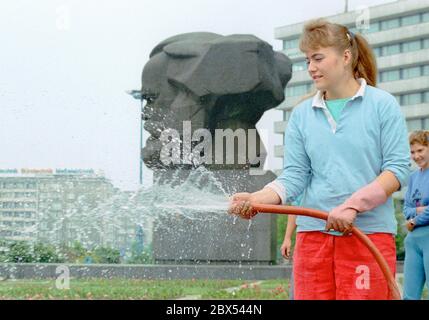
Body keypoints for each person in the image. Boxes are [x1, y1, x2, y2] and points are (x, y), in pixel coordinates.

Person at [229, 19, 411, 300]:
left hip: (368, 236)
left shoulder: (381, 105)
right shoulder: (302, 115)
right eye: (307, 60)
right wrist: (259, 198)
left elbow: (397, 171)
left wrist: (352, 206)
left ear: (346, 56)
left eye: (318, 58)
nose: (311, 67)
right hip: (313, 238)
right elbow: (294, 176)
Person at [402, 130, 429, 300]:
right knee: (409, 295)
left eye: (420, 150)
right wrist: (418, 212)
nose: (416, 156)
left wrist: (415, 220)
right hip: (412, 241)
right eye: (413, 152)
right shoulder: (412, 177)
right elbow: (406, 209)